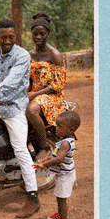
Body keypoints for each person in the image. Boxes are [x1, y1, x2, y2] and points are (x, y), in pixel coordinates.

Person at [0, 19, 40, 219]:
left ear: (15, 36)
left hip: (14, 108)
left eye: (11, 37)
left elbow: (13, 80)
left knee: (20, 149)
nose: (7, 40)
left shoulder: (22, 55)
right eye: (3, 37)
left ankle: (33, 197)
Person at [26, 12, 67, 159]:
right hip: (34, 93)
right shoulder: (29, 55)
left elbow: (58, 85)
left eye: (42, 34)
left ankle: (43, 147)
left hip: (51, 95)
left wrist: (34, 95)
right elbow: (28, 79)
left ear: (48, 34)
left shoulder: (54, 55)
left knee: (31, 110)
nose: (38, 37)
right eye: (35, 34)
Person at [33, 110, 80, 219]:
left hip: (65, 175)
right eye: (56, 125)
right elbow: (55, 155)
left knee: (61, 199)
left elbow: (59, 159)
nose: (56, 129)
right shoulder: (62, 140)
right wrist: (45, 159)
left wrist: (44, 165)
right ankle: (59, 216)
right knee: (59, 197)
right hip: (62, 173)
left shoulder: (65, 143)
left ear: (71, 129)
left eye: (60, 127)